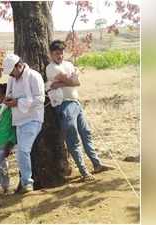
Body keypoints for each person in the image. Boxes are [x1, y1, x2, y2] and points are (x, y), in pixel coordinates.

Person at [46, 40, 115, 182]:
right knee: (73, 138)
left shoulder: (68, 64)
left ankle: (97, 164)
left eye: (61, 53)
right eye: (56, 53)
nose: (60, 56)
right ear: (51, 54)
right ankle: (84, 171)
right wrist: (70, 79)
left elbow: (77, 82)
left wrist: (61, 83)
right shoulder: (51, 68)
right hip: (64, 104)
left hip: (75, 102)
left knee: (86, 133)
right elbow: (73, 81)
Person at [2, 53, 45, 193]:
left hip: (32, 119)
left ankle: (27, 183)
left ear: (19, 66)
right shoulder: (12, 80)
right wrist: (8, 101)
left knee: (22, 150)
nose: (11, 75)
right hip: (18, 121)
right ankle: (25, 182)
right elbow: (10, 95)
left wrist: (18, 102)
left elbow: (40, 99)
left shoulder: (34, 76)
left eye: (12, 72)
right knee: (21, 152)